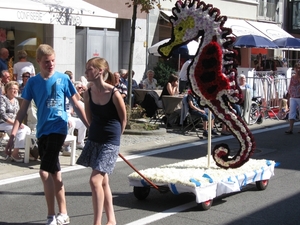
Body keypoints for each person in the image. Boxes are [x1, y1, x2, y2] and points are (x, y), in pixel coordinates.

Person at [5, 44, 89, 225]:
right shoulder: (33, 83)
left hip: (59, 127)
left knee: (44, 172)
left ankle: (51, 216)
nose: (50, 65)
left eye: (52, 61)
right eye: (46, 62)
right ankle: (64, 214)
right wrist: (12, 135)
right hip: (42, 130)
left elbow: (76, 104)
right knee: (55, 174)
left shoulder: (63, 79)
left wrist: (90, 125)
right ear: (38, 62)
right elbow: (22, 111)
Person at [77, 57, 126, 225]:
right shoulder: (88, 93)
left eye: (89, 69)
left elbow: (123, 119)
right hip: (95, 138)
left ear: (100, 71)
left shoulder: (114, 93)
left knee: (94, 180)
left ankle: (96, 223)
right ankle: (111, 220)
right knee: (103, 181)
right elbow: (89, 118)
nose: (85, 72)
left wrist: (115, 141)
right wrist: (94, 132)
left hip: (110, 140)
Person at [0, 81, 31, 162]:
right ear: (6, 90)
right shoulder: (2, 98)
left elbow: (18, 115)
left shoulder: (16, 101)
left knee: (27, 129)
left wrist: (18, 123)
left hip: (12, 123)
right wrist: (15, 124)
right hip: (3, 122)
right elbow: (2, 115)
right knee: (21, 130)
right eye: (12, 89)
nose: (14, 90)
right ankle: (15, 153)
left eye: (16, 89)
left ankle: (28, 151)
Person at [285, 62, 300, 134]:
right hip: (293, 96)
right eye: (296, 68)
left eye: (299, 68)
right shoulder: (292, 77)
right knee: (292, 112)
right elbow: (290, 87)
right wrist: (288, 97)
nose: (298, 69)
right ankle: (290, 128)